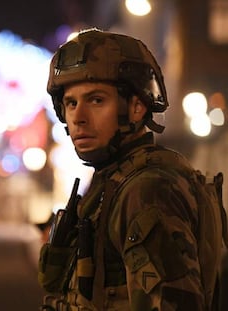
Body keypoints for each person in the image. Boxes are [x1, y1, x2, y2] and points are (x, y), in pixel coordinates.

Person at [38, 28, 228, 310]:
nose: (78, 117)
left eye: (96, 100)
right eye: (70, 103)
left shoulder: (147, 190)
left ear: (137, 107)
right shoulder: (113, 180)